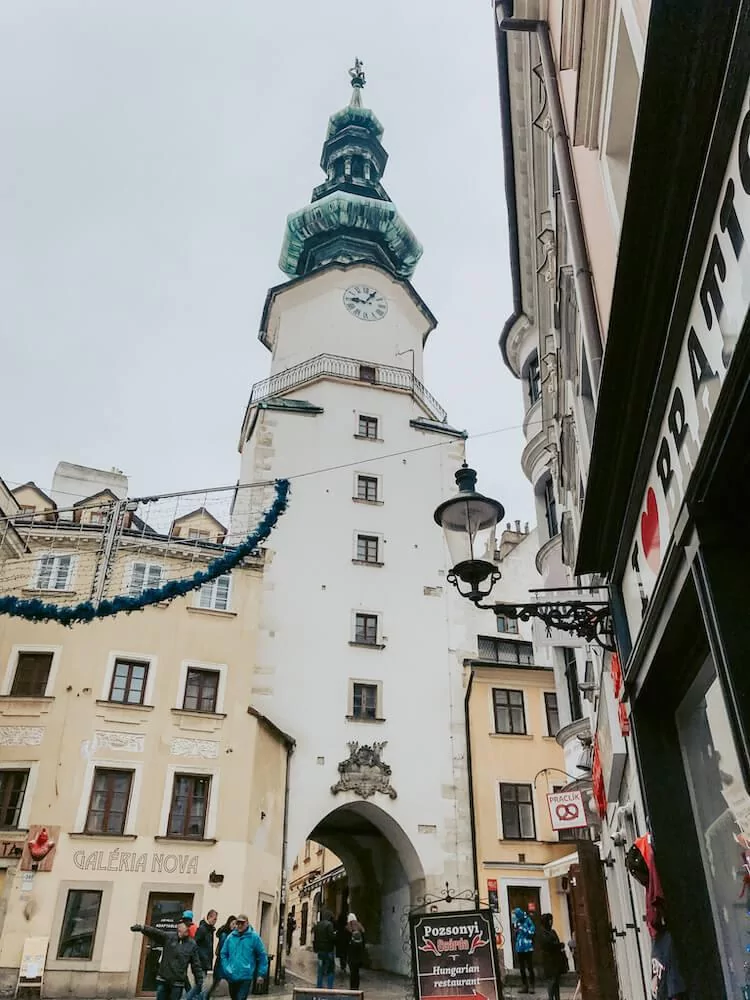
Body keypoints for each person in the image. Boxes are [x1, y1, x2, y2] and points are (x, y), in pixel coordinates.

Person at [131, 919, 203, 1000]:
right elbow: (156, 933)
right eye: (186, 926)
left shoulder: (192, 944)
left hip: (177, 983)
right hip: (163, 980)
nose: (188, 928)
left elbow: (196, 964)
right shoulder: (169, 937)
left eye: (189, 926)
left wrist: (199, 980)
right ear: (179, 927)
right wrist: (142, 928)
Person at [220, 914, 268, 1000]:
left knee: (240, 998)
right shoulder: (230, 937)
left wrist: (261, 974)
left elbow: (262, 955)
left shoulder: (254, 937)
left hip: (246, 976)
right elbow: (223, 953)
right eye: (238, 923)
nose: (240, 925)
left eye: (242, 923)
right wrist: (226, 968)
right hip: (232, 975)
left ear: (247, 923)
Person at [187, 910, 217, 1000]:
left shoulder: (209, 929)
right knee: (201, 984)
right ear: (209, 917)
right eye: (214, 919)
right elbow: (195, 943)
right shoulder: (203, 929)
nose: (215, 921)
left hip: (204, 961)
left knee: (200, 985)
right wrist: (197, 958)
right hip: (200, 961)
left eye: (216, 919)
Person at [205, 915, 236, 1000]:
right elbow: (223, 950)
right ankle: (205, 997)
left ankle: (206, 997)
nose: (234, 926)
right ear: (229, 923)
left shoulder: (232, 935)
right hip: (222, 963)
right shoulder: (225, 935)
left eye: (235, 924)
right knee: (218, 982)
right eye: (233, 923)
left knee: (222, 982)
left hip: (224, 963)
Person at [537, 913, 564, 1000]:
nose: (551, 922)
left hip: (556, 960)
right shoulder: (542, 933)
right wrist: (558, 945)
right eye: (549, 920)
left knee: (556, 981)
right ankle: (551, 998)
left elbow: (556, 942)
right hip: (548, 960)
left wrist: (558, 945)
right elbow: (547, 945)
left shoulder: (552, 931)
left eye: (551, 920)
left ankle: (557, 998)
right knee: (551, 981)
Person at [512, 906, 536, 994]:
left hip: (528, 948)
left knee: (530, 967)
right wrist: (516, 932)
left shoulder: (528, 921)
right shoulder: (517, 922)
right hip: (520, 948)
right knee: (522, 968)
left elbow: (532, 932)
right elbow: (515, 934)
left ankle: (532, 986)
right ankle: (524, 986)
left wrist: (522, 928)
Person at [312, 909, 336, 989]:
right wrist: (335, 935)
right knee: (330, 969)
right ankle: (329, 987)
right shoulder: (329, 925)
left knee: (320, 970)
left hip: (320, 950)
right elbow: (331, 937)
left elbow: (314, 938)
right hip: (328, 950)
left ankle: (319, 986)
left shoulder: (318, 925)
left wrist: (315, 948)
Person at [346, 912, 366, 991]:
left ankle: (352, 988)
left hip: (351, 954)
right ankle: (357, 987)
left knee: (352, 972)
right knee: (357, 972)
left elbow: (346, 942)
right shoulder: (360, 927)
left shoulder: (348, 927)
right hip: (359, 954)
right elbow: (364, 941)